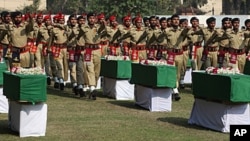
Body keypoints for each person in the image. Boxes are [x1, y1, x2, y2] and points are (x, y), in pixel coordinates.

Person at [77, 12, 106, 100]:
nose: (92, 20)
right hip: (88, 50)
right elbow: (78, 37)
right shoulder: (83, 28)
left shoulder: (98, 27)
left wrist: (104, 25)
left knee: (97, 71)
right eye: (90, 18)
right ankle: (92, 88)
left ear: (95, 19)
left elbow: (102, 29)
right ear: (87, 19)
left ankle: (92, 87)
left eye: (93, 18)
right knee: (90, 70)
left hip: (97, 50)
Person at [48, 13, 68, 90]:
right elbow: (51, 39)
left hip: (65, 48)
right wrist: (49, 47)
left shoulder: (67, 28)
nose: (62, 21)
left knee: (65, 64)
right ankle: (61, 80)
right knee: (59, 65)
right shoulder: (54, 30)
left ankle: (64, 79)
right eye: (60, 20)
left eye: (63, 20)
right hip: (57, 48)